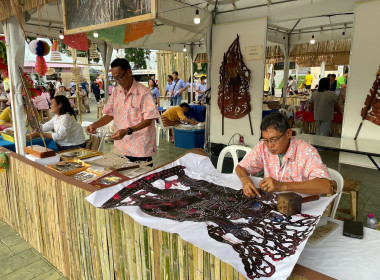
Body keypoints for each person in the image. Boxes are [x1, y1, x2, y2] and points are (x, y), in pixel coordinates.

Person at [235, 112, 332, 198]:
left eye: (274, 139)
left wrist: (283, 186)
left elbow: (326, 186)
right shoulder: (263, 146)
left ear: (288, 133)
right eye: (265, 140)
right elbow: (240, 167)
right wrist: (245, 180)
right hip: (274, 203)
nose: (269, 145)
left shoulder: (306, 151)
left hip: (302, 205)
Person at [86, 58, 160, 164]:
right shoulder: (117, 91)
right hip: (121, 147)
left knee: (140, 178)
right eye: (115, 79)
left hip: (139, 148)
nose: (118, 82)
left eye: (120, 77)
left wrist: (127, 130)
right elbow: (110, 114)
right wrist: (95, 125)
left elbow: (149, 120)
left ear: (129, 72)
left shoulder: (144, 92)